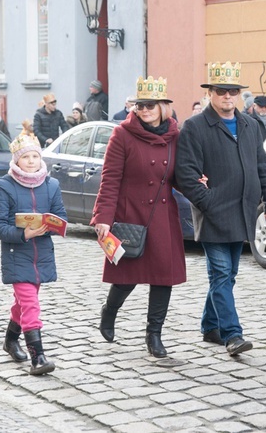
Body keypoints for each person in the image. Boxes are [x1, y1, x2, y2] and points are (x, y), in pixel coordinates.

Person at [176, 61, 266, 356]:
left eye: (233, 91)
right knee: (221, 274)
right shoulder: (195, 126)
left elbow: (263, 166)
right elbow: (185, 174)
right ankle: (232, 334)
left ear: (239, 94)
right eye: (221, 90)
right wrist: (208, 202)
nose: (227, 96)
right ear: (210, 93)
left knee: (229, 274)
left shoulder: (250, 125)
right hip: (212, 215)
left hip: (243, 212)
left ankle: (210, 325)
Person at [91, 76, 186, 359]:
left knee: (162, 278)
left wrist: (199, 182)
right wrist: (102, 218)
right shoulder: (122, 135)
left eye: (150, 105)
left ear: (163, 107)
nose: (144, 110)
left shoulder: (175, 136)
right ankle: (110, 311)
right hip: (130, 214)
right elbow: (110, 179)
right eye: (140, 105)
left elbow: (179, 174)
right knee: (128, 276)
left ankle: (154, 334)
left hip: (163, 216)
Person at [0, 126, 66, 376]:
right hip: (17, 255)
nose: (31, 161)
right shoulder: (3, 186)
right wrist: (23, 234)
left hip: (41, 254)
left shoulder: (52, 185)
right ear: (16, 159)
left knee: (22, 304)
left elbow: (61, 217)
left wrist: (52, 226)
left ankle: (10, 340)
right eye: (25, 157)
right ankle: (38, 357)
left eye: (35, 156)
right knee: (30, 303)